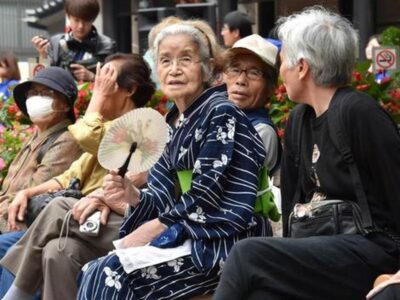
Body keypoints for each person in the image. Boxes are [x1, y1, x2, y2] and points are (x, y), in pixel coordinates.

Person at [213, 6, 400, 300]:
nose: (281, 69)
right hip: (323, 247)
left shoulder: (359, 113)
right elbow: (292, 206)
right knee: (261, 292)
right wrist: (286, 259)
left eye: (283, 59)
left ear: (302, 67)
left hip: (373, 248)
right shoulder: (299, 119)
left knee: (246, 252)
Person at [77, 21, 271, 299]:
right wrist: (131, 194)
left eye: (186, 59)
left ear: (206, 67)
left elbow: (208, 195)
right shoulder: (172, 125)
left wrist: (150, 230)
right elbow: (161, 198)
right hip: (188, 237)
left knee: (109, 274)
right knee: (91, 270)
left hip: (226, 243)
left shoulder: (221, 113)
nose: (175, 69)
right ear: (157, 69)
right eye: (165, 60)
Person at [0, 53, 154, 300]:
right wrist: (27, 193)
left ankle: (15, 295)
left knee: (48, 214)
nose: (98, 85)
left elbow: (84, 135)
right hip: (80, 219)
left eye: (107, 79)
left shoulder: (142, 128)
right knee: (56, 251)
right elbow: (71, 175)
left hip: (110, 219)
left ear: (130, 89)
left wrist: (98, 97)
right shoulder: (110, 126)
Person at [0, 66, 82, 233]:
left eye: (46, 93)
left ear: (65, 105)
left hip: (20, 227)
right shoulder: (37, 135)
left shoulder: (67, 139)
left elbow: (32, 195)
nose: (36, 98)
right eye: (33, 93)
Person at [223, 33, 280, 173]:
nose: (241, 80)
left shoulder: (260, 132)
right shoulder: (220, 118)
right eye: (235, 70)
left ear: (271, 88)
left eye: (254, 73)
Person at [31, 0, 115, 82]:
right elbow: (43, 78)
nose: (80, 26)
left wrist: (92, 77)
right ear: (68, 16)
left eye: (86, 21)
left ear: (93, 19)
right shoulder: (56, 42)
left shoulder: (107, 45)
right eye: (76, 20)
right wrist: (43, 55)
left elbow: (115, 79)